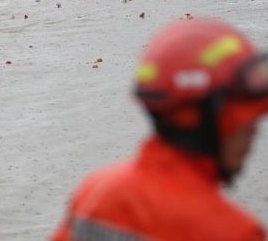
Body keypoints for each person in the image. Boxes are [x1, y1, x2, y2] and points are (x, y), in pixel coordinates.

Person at [51, 18, 268, 241]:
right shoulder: (233, 232)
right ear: (202, 120)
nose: (254, 132)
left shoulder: (95, 191)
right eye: (245, 121)